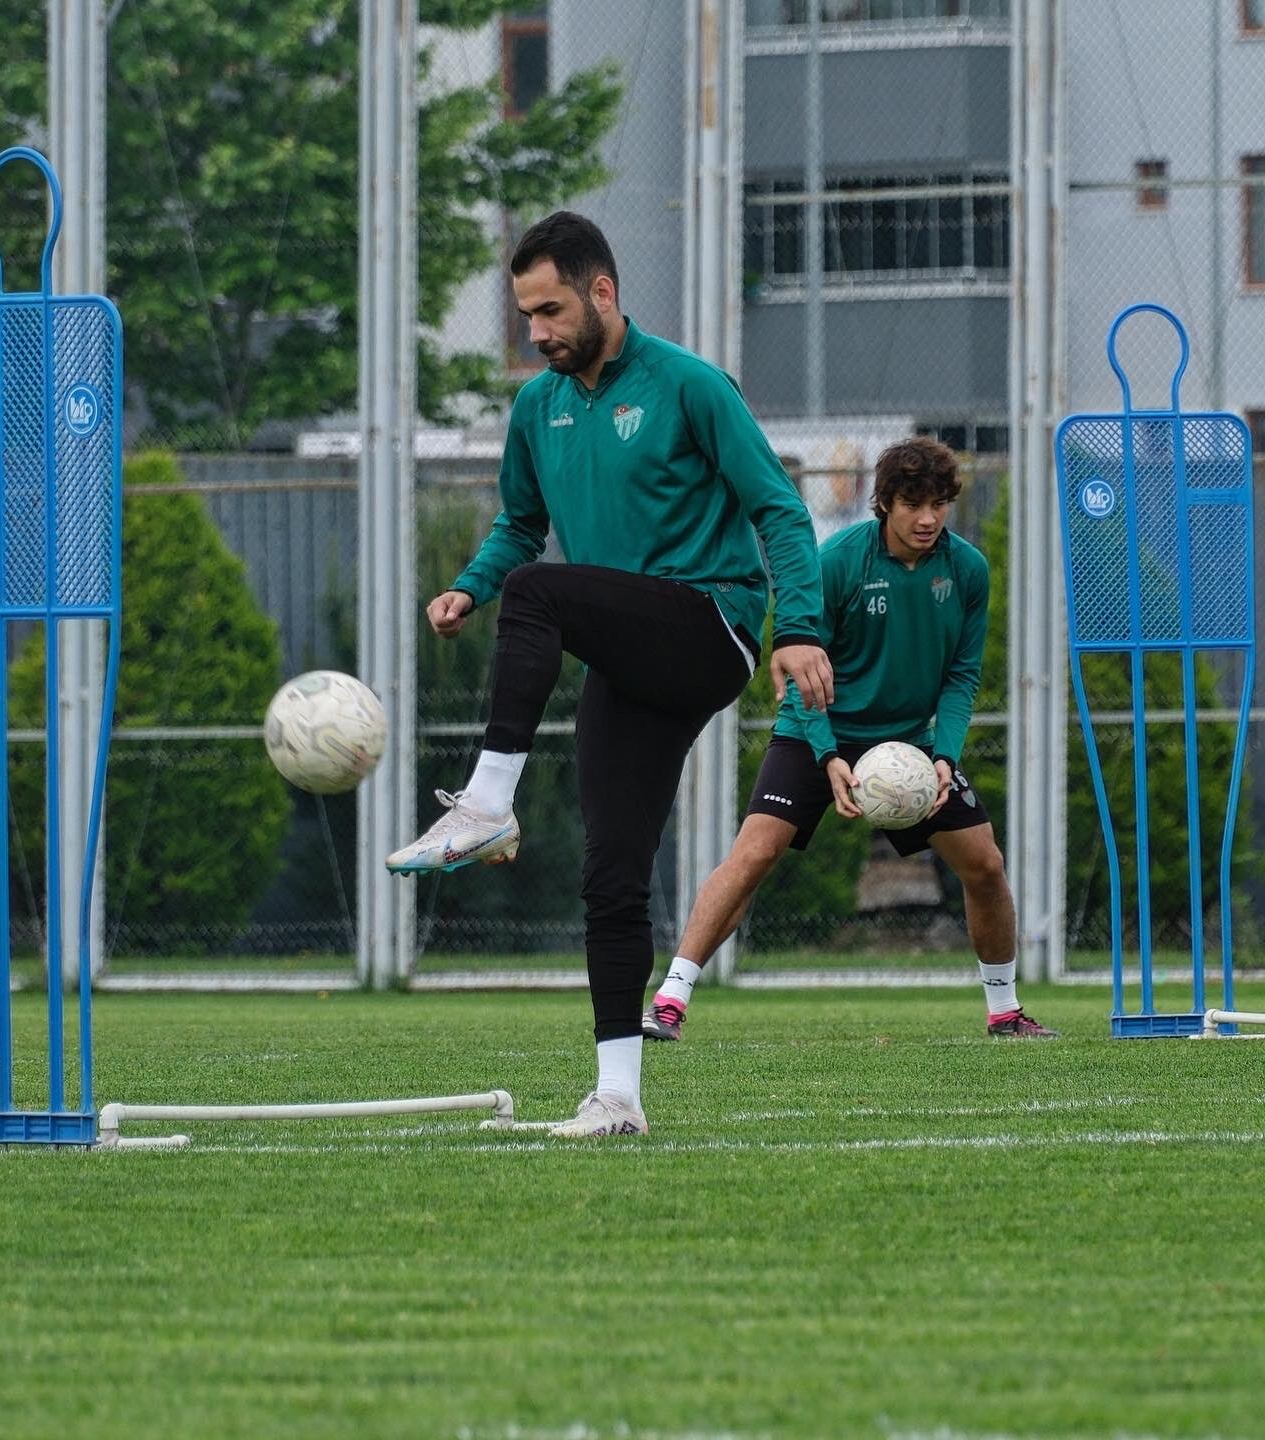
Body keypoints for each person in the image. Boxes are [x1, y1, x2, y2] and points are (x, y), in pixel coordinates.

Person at [386, 211, 832, 1137]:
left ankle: (486, 804)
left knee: (541, 593)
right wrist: (471, 588)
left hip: (710, 626)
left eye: (549, 311)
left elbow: (781, 511)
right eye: (524, 317)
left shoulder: (690, 386)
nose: (537, 332)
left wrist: (798, 629)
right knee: (611, 874)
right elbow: (518, 526)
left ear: (603, 292)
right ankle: (617, 1097)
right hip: (626, 658)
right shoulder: (534, 407)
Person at [642, 436, 1058, 1043]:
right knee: (754, 855)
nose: (928, 518)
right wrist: (830, 755)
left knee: (987, 867)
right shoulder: (835, 561)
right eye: (914, 503)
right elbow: (800, 671)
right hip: (817, 730)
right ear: (884, 503)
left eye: (940, 503)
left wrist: (944, 757)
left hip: (909, 750)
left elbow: (963, 675)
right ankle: (670, 1001)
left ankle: (1006, 1012)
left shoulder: (968, 569)